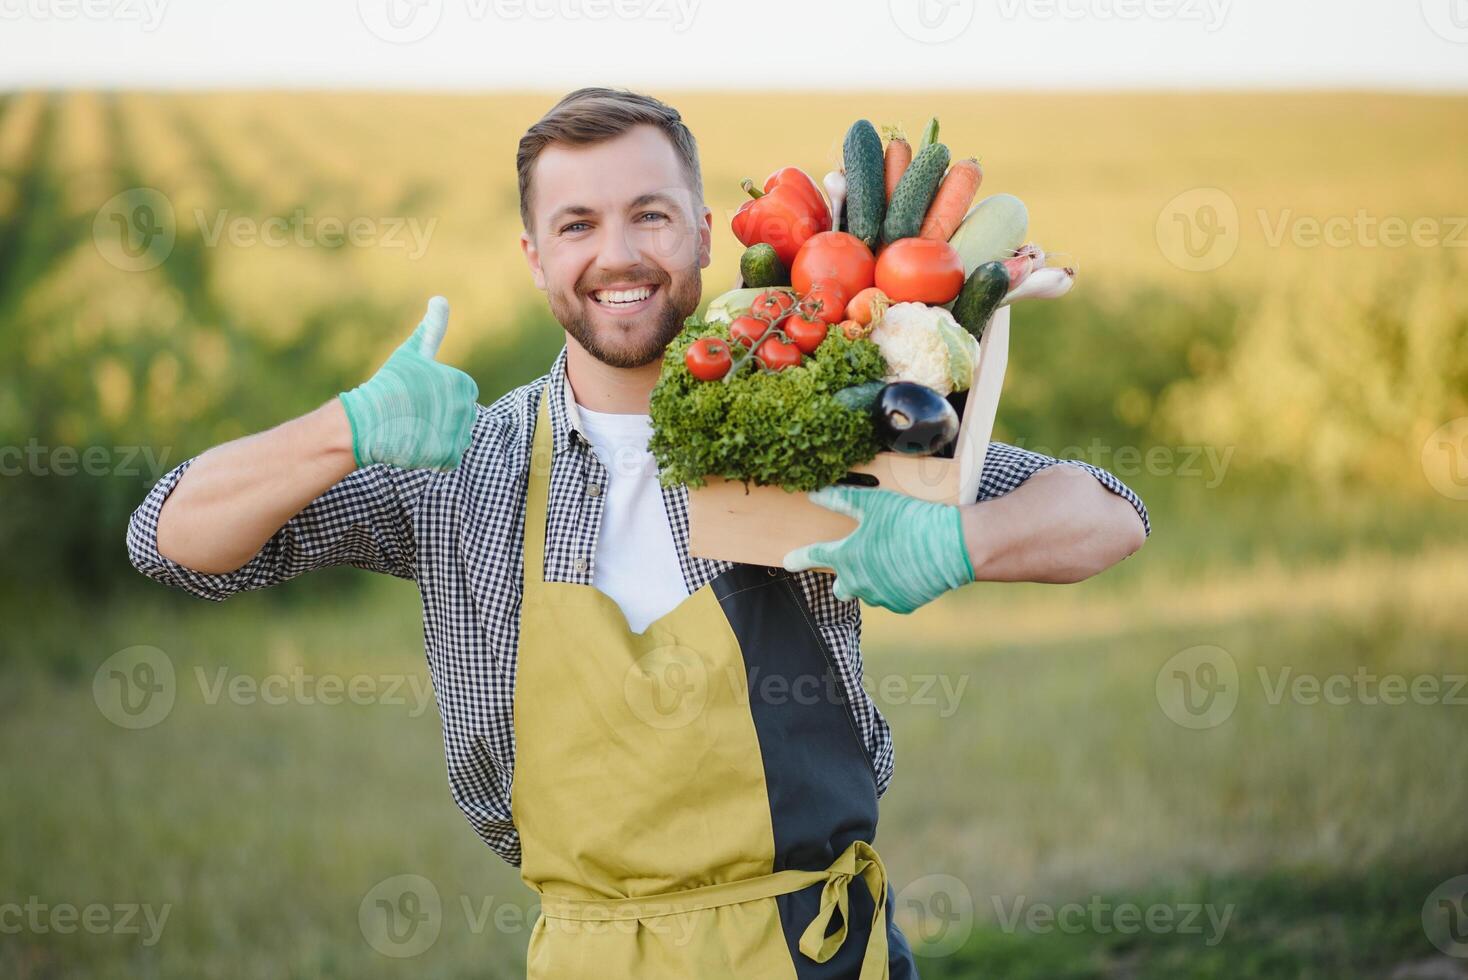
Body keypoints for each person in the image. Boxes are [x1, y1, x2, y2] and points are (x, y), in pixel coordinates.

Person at [127, 87, 1149, 979]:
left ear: (706, 234)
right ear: (534, 256)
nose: (617, 255)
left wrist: (957, 544)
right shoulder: (458, 469)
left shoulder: (808, 412)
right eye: (576, 224)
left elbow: (1106, 510)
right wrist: (341, 428)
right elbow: (169, 535)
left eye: (649, 215)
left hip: (813, 955)